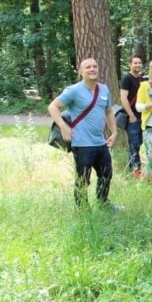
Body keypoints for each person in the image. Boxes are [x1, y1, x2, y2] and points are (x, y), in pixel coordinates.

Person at [48, 58, 118, 208]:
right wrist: (63, 126)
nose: (92, 69)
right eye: (88, 67)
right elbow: (53, 107)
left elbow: (109, 111)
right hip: (82, 144)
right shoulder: (73, 90)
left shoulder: (104, 89)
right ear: (81, 72)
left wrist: (114, 132)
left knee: (106, 175)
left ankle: (103, 203)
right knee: (83, 180)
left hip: (101, 142)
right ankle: (82, 210)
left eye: (95, 66)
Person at [120, 54, 144, 178]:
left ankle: (136, 169)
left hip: (143, 116)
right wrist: (130, 115)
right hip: (132, 117)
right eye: (135, 63)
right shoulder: (126, 79)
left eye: (139, 63)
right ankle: (135, 171)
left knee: (139, 143)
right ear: (130, 64)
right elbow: (123, 98)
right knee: (134, 144)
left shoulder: (142, 79)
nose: (138, 65)